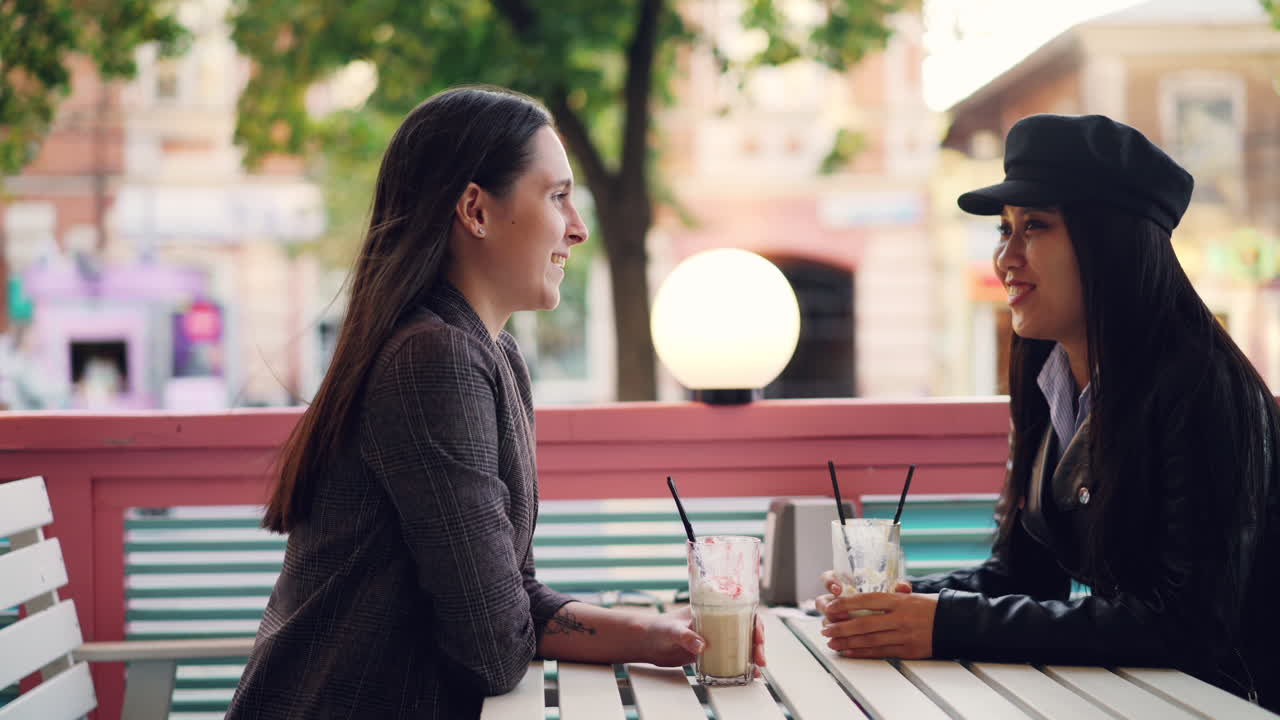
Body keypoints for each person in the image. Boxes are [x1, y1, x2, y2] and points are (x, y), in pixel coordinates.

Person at [227, 86, 764, 720]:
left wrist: (659, 634)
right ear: (475, 211)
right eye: (557, 196)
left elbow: (508, 601)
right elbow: (490, 645)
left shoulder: (488, 353)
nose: (579, 227)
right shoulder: (434, 360)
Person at [817, 114, 1279, 710]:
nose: (1006, 257)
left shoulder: (1203, 388)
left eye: (1034, 226)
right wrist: (901, 605)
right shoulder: (1048, 378)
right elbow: (1022, 578)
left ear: (1109, 241)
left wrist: (945, 623)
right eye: (1003, 230)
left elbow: (1188, 627)